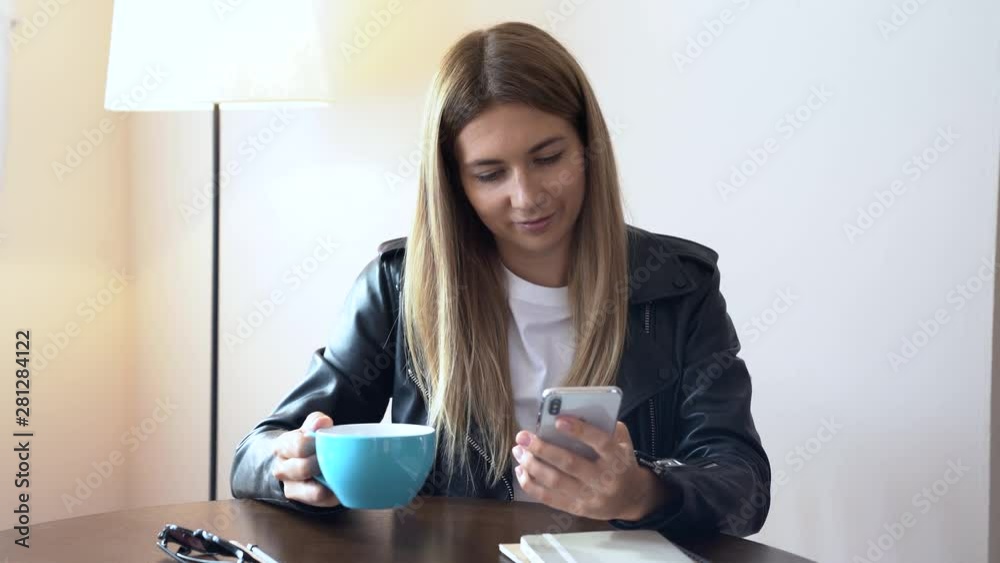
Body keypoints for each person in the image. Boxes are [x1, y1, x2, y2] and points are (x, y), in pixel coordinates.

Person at [230, 21, 770, 538]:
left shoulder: (677, 286)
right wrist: (287, 465)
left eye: (548, 158)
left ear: (588, 149)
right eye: (490, 174)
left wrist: (640, 493)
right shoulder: (398, 287)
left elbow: (742, 486)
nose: (527, 196)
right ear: (454, 183)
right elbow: (255, 453)